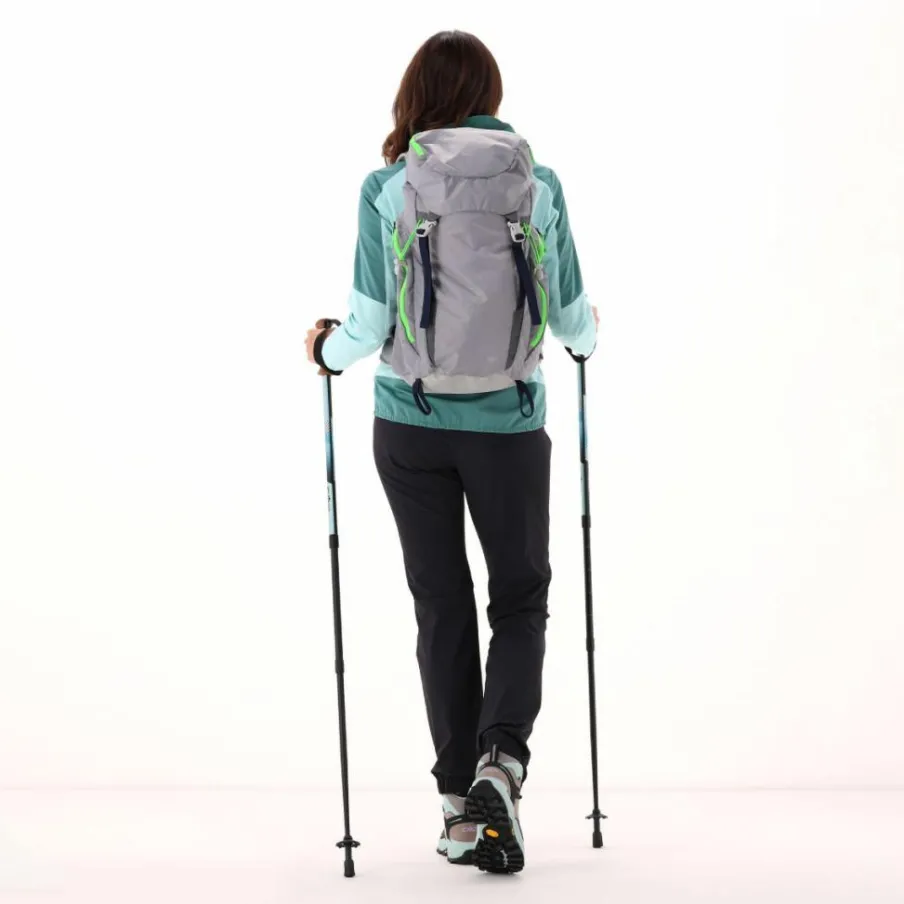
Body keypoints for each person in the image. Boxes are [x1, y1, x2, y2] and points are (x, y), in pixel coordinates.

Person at [306, 31, 597, 874]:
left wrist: (324, 350)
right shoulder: (537, 183)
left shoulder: (388, 186)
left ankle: (458, 809)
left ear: (415, 97)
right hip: (510, 425)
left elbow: (367, 323)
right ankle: (499, 765)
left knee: (441, 605)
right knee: (520, 601)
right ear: (489, 96)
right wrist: (588, 338)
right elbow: (571, 319)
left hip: (410, 424)